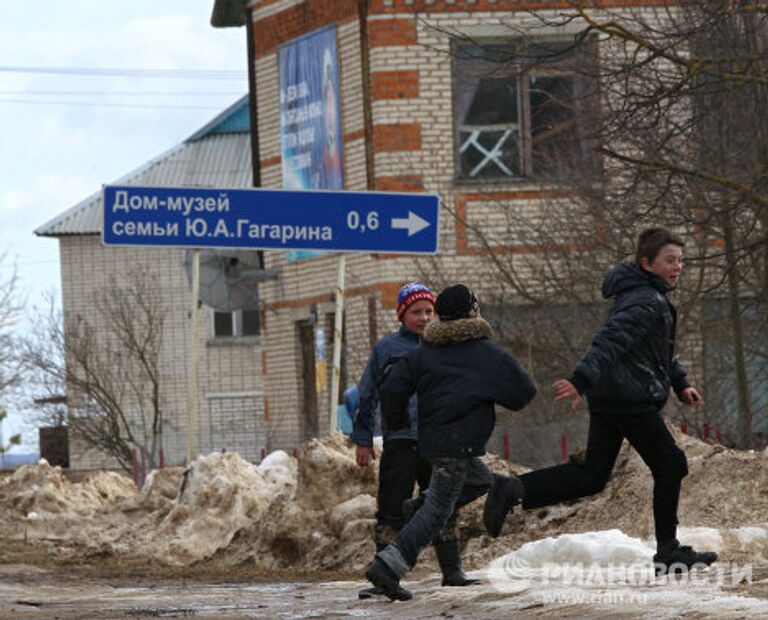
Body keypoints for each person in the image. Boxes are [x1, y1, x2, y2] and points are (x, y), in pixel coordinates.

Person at [483, 228, 718, 575]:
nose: (678, 266)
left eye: (681, 260)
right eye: (670, 260)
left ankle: (515, 488)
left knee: (593, 475)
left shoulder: (649, 296)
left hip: (615, 397)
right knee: (670, 464)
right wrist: (580, 379)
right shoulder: (644, 300)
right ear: (647, 263)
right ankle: (667, 551)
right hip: (628, 399)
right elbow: (608, 342)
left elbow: (655, 353)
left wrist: (680, 382)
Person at [364, 284, 537, 600]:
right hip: (457, 444)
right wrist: (489, 391)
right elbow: (523, 393)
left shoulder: (424, 353)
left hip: (435, 442)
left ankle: (427, 503)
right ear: (472, 312)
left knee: (480, 481)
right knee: (437, 511)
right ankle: (388, 568)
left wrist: (398, 420)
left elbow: (391, 389)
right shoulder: (487, 353)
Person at [351, 282, 479, 600]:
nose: (423, 318)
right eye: (416, 312)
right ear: (402, 315)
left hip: (439, 441)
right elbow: (367, 395)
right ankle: (384, 574)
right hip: (400, 441)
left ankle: (452, 571)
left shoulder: (445, 345)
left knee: (444, 504)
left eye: (428, 311)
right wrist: (363, 440)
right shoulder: (387, 349)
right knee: (391, 509)